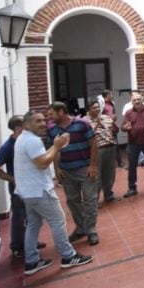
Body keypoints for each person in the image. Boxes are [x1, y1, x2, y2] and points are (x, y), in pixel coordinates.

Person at [14, 111, 92, 275]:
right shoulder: (32, 141)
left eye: (44, 120)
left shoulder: (23, 138)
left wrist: (55, 146)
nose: (43, 123)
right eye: (38, 121)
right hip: (39, 191)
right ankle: (68, 256)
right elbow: (42, 163)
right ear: (27, 125)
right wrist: (56, 146)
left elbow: (41, 158)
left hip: (27, 191)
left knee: (33, 225)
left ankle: (31, 261)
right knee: (58, 221)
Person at [0, 116, 46, 258]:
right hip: (18, 190)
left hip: (31, 186)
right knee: (19, 217)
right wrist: (12, 179)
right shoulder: (8, 146)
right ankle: (17, 247)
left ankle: (30, 242)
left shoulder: (26, 142)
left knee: (33, 216)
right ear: (18, 128)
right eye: (26, 124)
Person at [47, 102, 100, 246]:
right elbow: (55, 150)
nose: (49, 117)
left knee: (90, 200)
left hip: (85, 169)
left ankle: (91, 230)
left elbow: (93, 143)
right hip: (66, 171)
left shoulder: (82, 124)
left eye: (51, 114)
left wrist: (93, 165)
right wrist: (57, 169)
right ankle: (81, 228)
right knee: (72, 201)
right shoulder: (52, 130)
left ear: (61, 112)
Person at [83, 100, 120, 205]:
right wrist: (98, 123)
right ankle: (94, 200)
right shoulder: (85, 121)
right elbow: (88, 136)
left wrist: (114, 125)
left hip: (111, 147)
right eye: (94, 108)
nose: (97, 109)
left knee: (110, 173)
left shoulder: (106, 117)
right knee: (97, 175)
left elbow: (115, 131)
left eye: (98, 107)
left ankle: (109, 195)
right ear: (88, 110)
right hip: (98, 150)